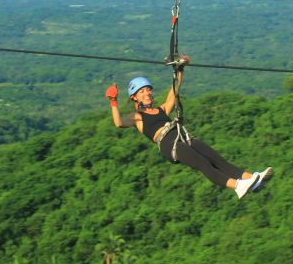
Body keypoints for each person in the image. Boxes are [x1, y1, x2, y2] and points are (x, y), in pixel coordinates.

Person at [105, 58, 272, 198]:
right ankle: (237, 186)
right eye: (142, 92)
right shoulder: (138, 117)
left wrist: (180, 69)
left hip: (183, 137)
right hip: (169, 144)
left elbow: (174, 92)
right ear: (134, 97)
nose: (147, 93)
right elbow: (119, 123)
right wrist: (114, 102)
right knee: (203, 164)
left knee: (216, 159)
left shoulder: (162, 109)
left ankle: (253, 179)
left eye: (148, 90)